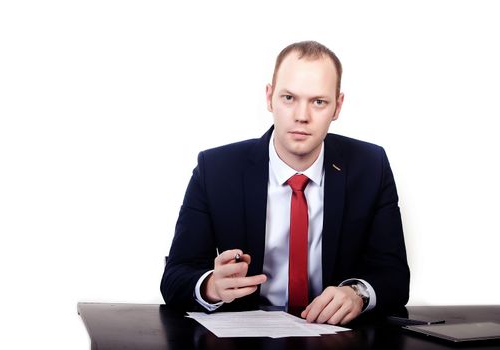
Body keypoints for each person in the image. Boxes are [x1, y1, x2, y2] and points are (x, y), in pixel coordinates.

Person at [161, 41, 409, 325]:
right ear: (269, 98)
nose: (301, 116)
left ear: (337, 106)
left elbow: (395, 277)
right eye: (289, 98)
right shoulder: (216, 169)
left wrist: (358, 293)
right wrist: (210, 287)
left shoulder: (370, 166)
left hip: (336, 337)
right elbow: (175, 276)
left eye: (318, 102)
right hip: (245, 337)